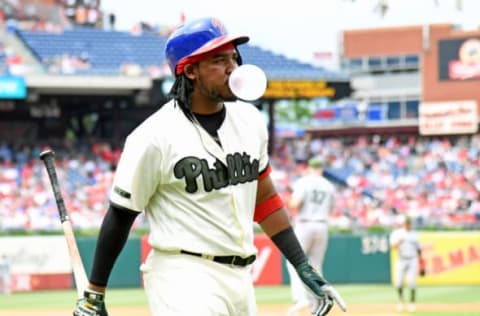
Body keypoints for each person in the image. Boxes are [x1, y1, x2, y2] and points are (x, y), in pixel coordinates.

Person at [73, 17, 346, 316]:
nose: (233, 68)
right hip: (183, 274)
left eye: (234, 58)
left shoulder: (251, 121)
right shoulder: (153, 136)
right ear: (190, 70)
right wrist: (95, 292)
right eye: (219, 60)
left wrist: (302, 265)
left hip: (241, 278)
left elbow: (265, 201)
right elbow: (122, 214)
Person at [286, 157, 336, 316]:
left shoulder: (304, 182)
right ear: (320, 168)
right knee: (316, 266)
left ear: (309, 168)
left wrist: (288, 200)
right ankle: (317, 303)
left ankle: (300, 299)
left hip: (305, 224)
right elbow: (331, 210)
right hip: (322, 225)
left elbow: (295, 205)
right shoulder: (329, 185)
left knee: (294, 262)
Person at [389, 216, 423, 312]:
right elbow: (391, 247)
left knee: (412, 282)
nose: (408, 224)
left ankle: (412, 302)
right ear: (403, 223)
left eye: (409, 223)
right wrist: (399, 242)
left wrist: (421, 263)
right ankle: (401, 300)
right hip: (401, 259)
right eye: (406, 223)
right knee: (398, 283)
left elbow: (419, 249)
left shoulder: (414, 234)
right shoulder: (397, 233)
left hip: (412, 259)